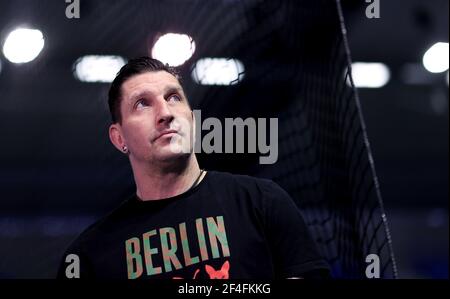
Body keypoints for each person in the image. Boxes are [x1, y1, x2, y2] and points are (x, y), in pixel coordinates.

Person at [57, 57, 330, 279]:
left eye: (174, 97)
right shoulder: (90, 256)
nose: (165, 113)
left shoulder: (261, 202)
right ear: (119, 138)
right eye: (142, 104)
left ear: (193, 119)